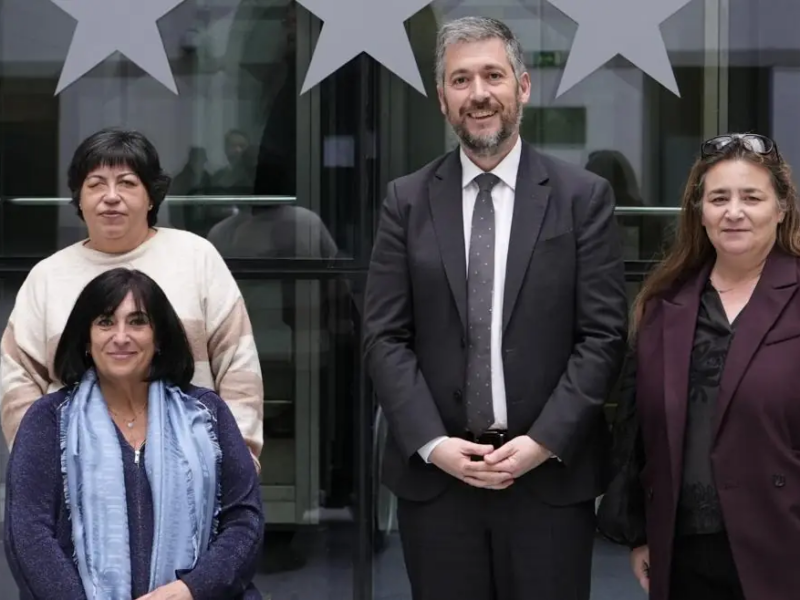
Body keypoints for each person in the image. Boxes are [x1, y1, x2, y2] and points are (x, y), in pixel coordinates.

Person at [362, 16, 628, 600]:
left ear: (522, 87)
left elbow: (603, 336)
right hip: (438, 483)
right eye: (461, 80)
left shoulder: (582, 198)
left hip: (549, 481)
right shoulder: (406, 202)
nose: (478, 94)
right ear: (442, 99)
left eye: (492, 75)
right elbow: (384, 336)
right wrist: (434, 444)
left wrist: (542, 442)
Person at [0, 127, 264, 469]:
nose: (111, 196)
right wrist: (43, 465)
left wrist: (236, 461)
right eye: (95, 184)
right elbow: (16, 377)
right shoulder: (48, 276)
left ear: (151, 196)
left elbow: (238, 366)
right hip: (75, 475)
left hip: (193, 469)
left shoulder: (196, 257)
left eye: (127, 183)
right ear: (79, 197)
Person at [4, 268, 263, 599]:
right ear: (86, 338)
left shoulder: (207, 413)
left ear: (159, 338)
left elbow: (244, 521)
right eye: (106, 322)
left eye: (138, 322)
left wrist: (191, 590)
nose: (121, 336)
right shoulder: (48, 420)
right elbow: (28, 535)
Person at [616, 133, 800, 600]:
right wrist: (641, 532)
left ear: (781, 208)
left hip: (784, 547)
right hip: (683, 556)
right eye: (719, 198)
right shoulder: (662, 305)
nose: (733, 211)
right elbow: (639, 432)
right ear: (700, 211)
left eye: (751, 197)